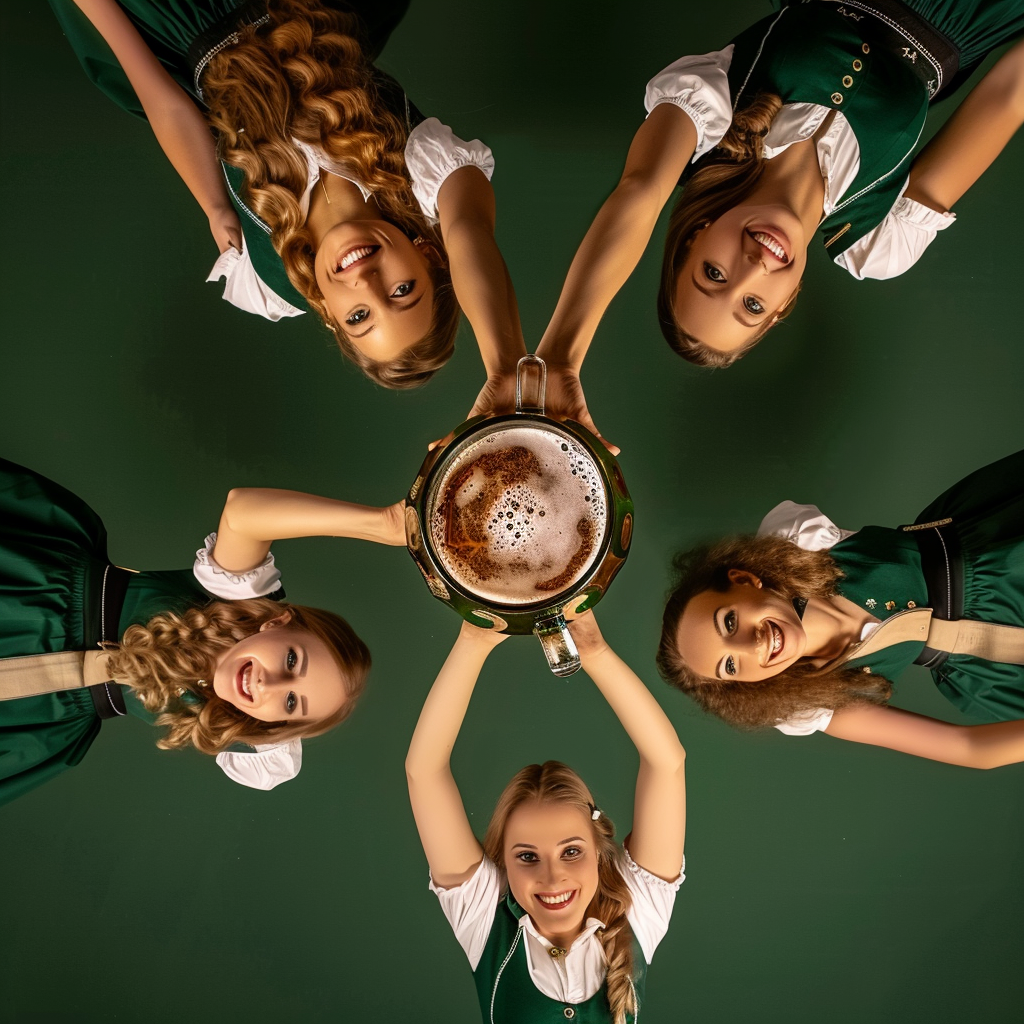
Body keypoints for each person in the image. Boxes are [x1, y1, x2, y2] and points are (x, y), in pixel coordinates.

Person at [536, 0, 1024, 405]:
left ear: (697, 231)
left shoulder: (709, 118)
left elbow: (639, 189)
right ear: (783, 304)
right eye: (751, 305)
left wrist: (558, 357)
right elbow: (1008, 94)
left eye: (713, 274)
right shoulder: (874, 239)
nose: (751, 271)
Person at [53, 0, 525, 390]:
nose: (369, 285)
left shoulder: (267, 272)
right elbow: (469, 231)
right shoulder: (425, 174)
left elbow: (167, 103)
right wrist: (507, 368)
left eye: (359, 317)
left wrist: (216, 206)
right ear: (431, 256)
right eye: (404, 291)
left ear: (331, 317)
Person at [0, 456, 408, 806]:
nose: (269, 683)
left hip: (37, 714)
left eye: (289, 703)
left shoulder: (231, 721)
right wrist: (382, 523)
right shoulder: (228, 598)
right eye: (290, 660)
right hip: (31, 592)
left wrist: (274, 719)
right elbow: (243, 512)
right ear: (277, 622)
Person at [657, 448, 1024, 769]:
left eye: (730, 622)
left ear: (744, 579)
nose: (752, 645)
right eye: (731, 666)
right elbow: (969, 748)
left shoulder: (799, 543)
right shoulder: (818, 704)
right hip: (994, 665)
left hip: (997, 545)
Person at [406, 613, 686, 1023]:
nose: (552, 878)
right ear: (503, 861)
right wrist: (475, 638)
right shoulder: (485, 919)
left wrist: (595, 652)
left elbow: (668, 763)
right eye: (527, 857)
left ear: (598, 850)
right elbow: (424, 772)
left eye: (571, 851)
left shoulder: (638, 908)